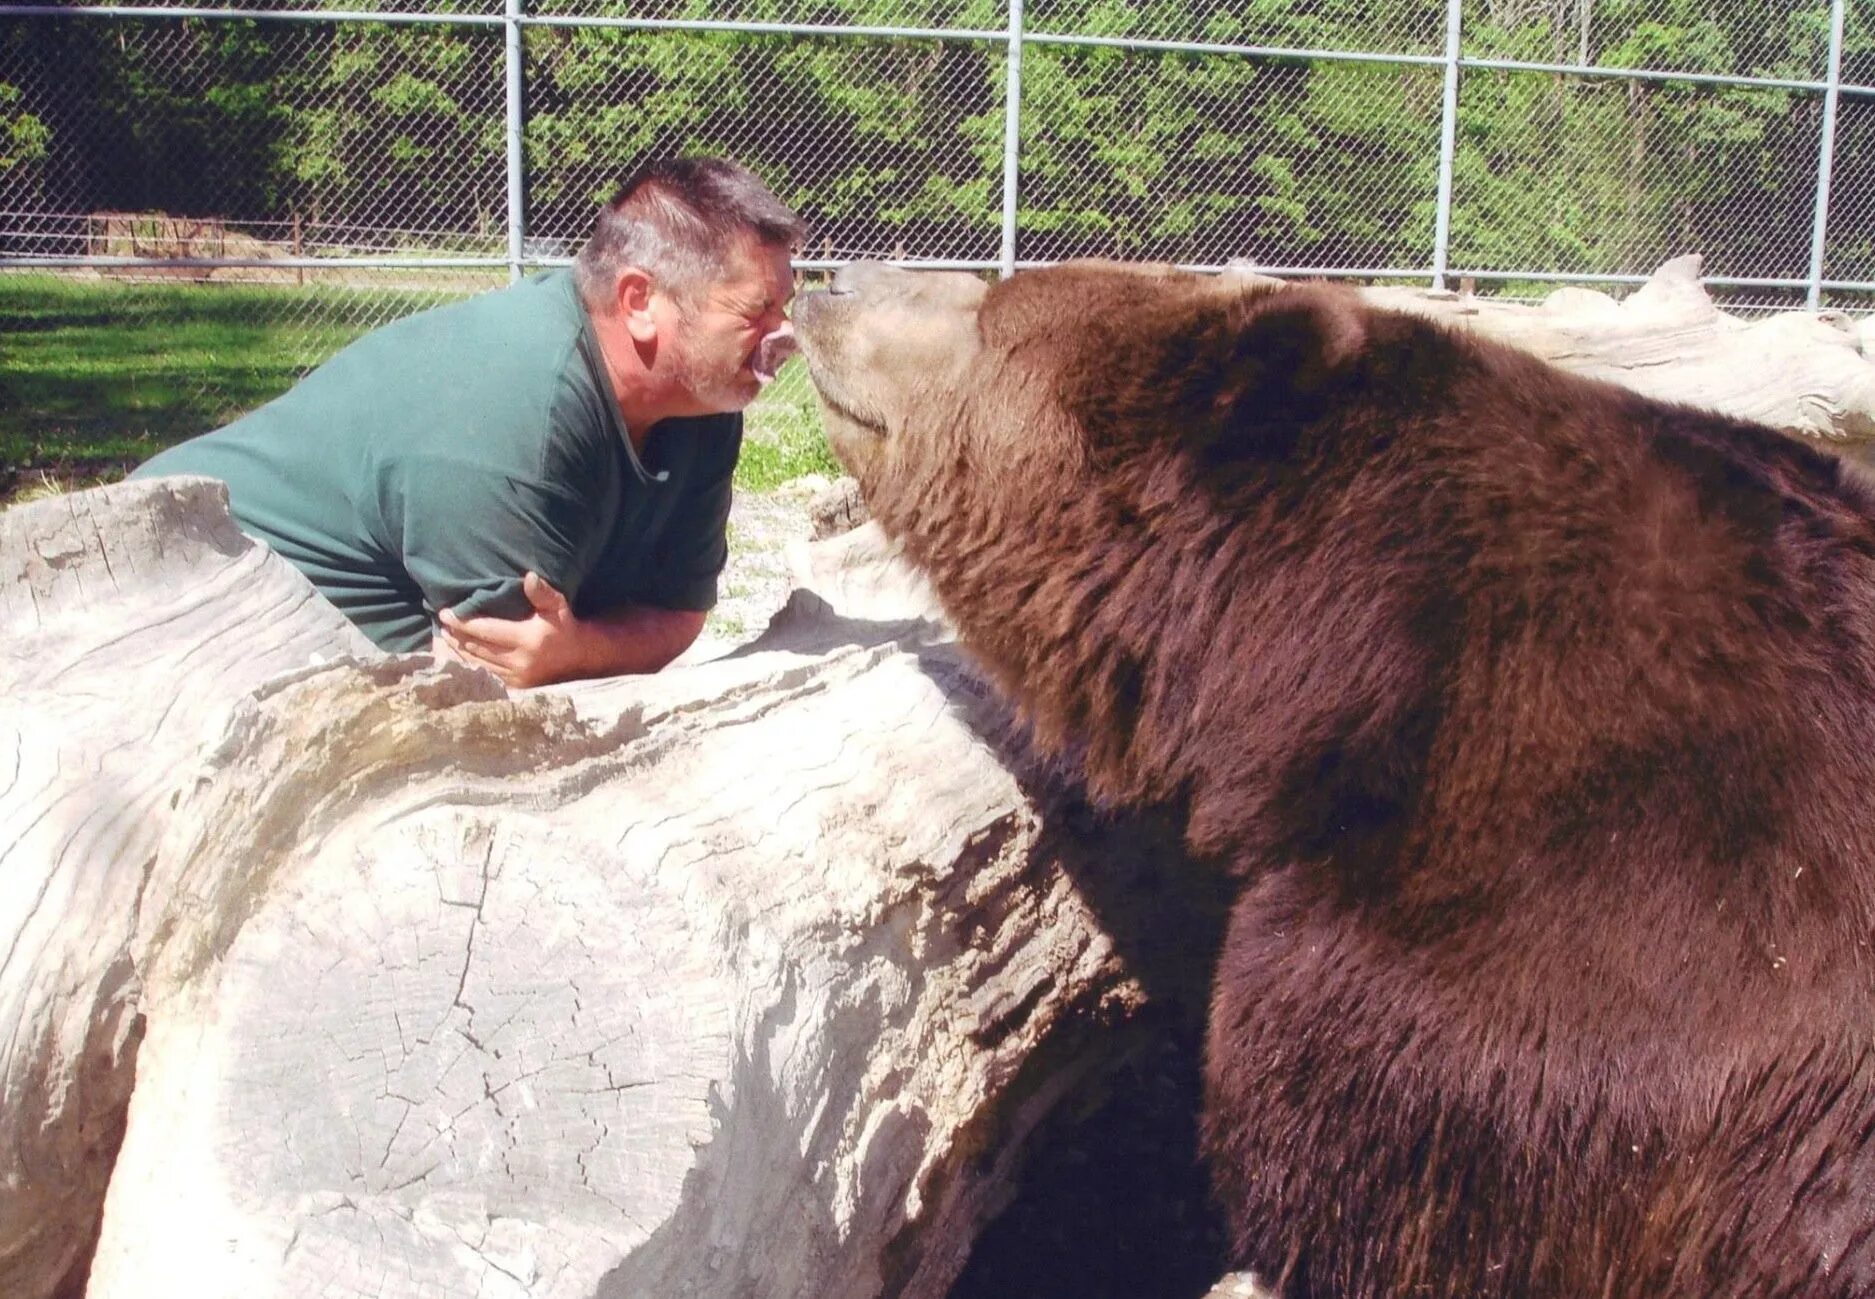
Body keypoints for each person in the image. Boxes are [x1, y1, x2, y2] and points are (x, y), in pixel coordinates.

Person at [134, 157, 804, 687]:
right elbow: (494, 682)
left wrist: (579, 649)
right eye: (756, 310)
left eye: (786, 305)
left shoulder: (703, 403)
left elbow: (677, 616)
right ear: (638, 300)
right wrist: (571, 657)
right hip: (165, 597)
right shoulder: (528, 412)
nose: (784, 334)